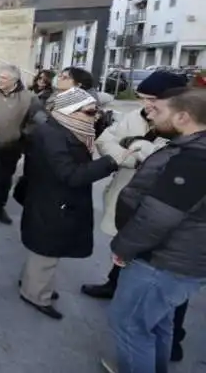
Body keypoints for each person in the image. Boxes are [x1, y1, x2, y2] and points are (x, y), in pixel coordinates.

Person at [103, 87, 206, 373]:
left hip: (161, 263)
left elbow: (158, 217)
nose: (151, 114)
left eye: (159, 111)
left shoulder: (195, 158)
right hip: (176, 261)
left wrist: (123, 248)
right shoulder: (192, 149)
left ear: (183, 117)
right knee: (157, 324)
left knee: (129, 327)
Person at [18, 87, 119, 320]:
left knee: (46, 252)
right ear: (70, 111)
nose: (95, 116)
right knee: (45, 254)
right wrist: (111, 162)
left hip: (55, 201)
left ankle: (36, 286)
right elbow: (70, 174)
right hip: (53, 203)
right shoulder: (53, 134)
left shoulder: (65, 128)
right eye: (90, 111)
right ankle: (34, 294)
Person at [0, 65, 42, 225]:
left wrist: (23, 134)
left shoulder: (29, 98)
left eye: (4, 78)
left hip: (11, 145)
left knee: (5, 179)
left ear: (15, 80)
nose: (0, 79)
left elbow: (35, 121)